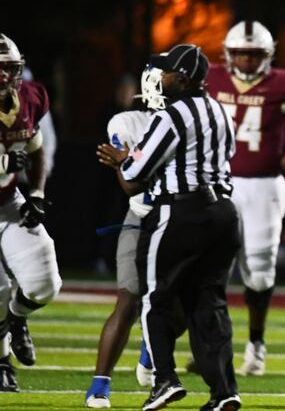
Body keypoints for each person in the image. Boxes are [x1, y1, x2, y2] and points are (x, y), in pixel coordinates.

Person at [97, 44, 241, 411]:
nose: (159, 79)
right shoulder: (221, 112)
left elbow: (134, 173)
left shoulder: (171, 116)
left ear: (183, 78)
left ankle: (163, 379)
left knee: (154, 298)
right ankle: (224, 392)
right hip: (224, 214)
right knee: (210, 304)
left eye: (165, 73)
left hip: (180, 212)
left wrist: (121, 160)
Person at [205, 20, 285, 375]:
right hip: (218, 181)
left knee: (259, 271)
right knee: (211, 268)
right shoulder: (210, 79)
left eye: (254, 54)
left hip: (263, 185)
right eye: (241, 54)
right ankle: (212, 345)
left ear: (268, 56)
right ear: (228, 55)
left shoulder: (284, 84)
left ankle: (256, 347)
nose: (246, 61)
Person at [85, 67, 171, 408]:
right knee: (129, 298)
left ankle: (151, 347)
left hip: (182, 220)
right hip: (143, 216)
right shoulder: (128, 122)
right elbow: (130, 184)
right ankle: (99, 384)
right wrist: (130, 165)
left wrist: (127, 161)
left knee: (180, 303)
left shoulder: (195, 119)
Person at [0, 33, 62, 392]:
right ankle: (2, 362)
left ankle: (17, 317)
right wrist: (5, 162)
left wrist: (36, 192)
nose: (5, 77)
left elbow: (37, 148)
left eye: (9, 68)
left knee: (44, 282)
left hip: (8, 202)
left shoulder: (29, 96)